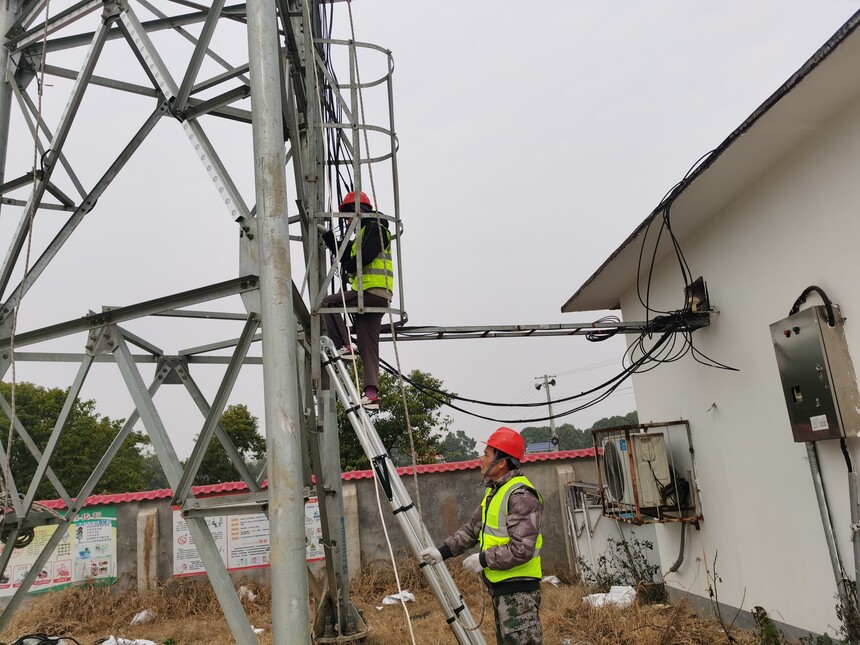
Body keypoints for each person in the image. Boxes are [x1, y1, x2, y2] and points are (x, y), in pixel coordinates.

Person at [419, 427, 544, 645]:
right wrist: (442, 552)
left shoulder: (520, 496)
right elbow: (472, 529)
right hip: (502, 590)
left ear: (501, 462)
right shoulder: (495, 491)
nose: (480, 459)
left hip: (519, 593)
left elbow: (522, 549)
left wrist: (484, 559)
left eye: (486, 454)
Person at [320, 191, 394, 411]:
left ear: (359, 210)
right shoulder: (364, 232)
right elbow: (346, 254)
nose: (346, 220)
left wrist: (349, 267)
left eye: (348, 214)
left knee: (327, 303)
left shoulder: (375, 227)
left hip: (371, 292)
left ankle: (343, 345)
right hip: (377, 295)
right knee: (367, 347)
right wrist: (328, 237)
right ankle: (371, 395)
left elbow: (363, 257)